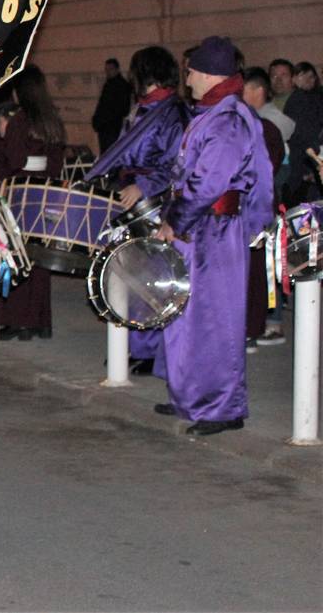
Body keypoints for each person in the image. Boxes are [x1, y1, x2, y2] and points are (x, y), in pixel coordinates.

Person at [154, 36, 272, 436]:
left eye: (190, 71)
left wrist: (175, 220)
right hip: (200, 228)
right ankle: (190, 395)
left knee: (214, 319)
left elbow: (208, 182)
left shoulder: (229, 118)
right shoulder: (214, 111)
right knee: (187, 313)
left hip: (215, 231)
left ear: (206, 73)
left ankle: (222, 406)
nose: (186, 77)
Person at [85, 46, 188, 373]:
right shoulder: (145, 108)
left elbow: (178, 162)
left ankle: (148, 350)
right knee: (131, 275)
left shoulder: (173, 112)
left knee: (152, 278)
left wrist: (144, 186)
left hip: (155, 201)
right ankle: (133, 343)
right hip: (132, 194)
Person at [0, 65, 66, 340]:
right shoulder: (51, 119)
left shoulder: (20, 119)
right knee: (38, 255)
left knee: (16, 252)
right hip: (44, 190)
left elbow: (14, 158)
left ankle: (19, 320)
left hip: (21, 191)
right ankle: (41, 320)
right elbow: (56, 162)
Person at [241, 68, 287, 352]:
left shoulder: (265, 128)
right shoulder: (260, 127)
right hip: (256, 207)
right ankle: (252, 328)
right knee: (257, 273)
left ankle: (252, 329)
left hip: (257, 209)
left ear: (258, 91)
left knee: (258, 273)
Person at [283, 62, 323, 205]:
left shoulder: (310, 98)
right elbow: (304, 135)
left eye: (311, 77)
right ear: (295, 79)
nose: (308, 80)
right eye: (302, 76)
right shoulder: (301, 100)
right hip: (306, 165)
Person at [91, 57, 132, 154]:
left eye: (110, 69)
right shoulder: (109, 85)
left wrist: (104, 119)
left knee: (110, 154)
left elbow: (122, 108)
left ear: (117, 70)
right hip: (106, 127)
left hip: (112, 127)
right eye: (106, 70)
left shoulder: (121, 86)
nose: (108, 72)